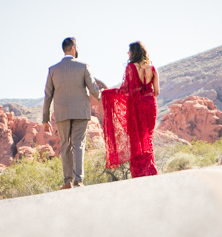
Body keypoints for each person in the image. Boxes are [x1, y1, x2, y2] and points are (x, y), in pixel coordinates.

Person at [42, 37, 102, 189]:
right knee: (78, 144)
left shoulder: (53, 70)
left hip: (61, 113)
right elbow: (94, 89)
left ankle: (67, 181)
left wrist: (45, 119)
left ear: (64, 49)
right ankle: (78, 179)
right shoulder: (83, 66)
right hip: (80, 112)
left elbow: (48, 95)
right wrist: (101, 96)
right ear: (74, 49)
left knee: (65, 145)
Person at [102, 41, 160, 178]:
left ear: (134, 52)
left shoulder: (130, 68)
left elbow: (125, 90)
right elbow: (156, 91)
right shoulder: (152, 68)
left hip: (137, 107)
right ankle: (151, 170)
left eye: (129, 51)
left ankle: (140, 173)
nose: (127, 53)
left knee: (137, 139)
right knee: (148, 137)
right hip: (151, 104)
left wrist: (108, 93)